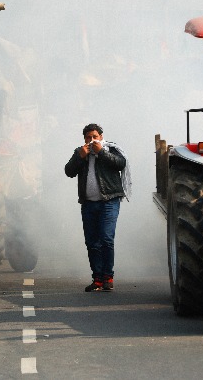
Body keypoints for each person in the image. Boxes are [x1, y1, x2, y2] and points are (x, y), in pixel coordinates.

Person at [65, 123, 131, 292]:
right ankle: (98, 279)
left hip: (109, 201)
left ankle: (108, 277)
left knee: (106, 238)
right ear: (84, 139)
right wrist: (80, 157)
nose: (91, 140)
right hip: (88, 204)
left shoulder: (111, 149)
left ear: (101, 136)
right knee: (92, 242)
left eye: (95, 136)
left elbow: (120, 164)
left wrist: (101, 152)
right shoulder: (80, 152)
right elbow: (69, 171)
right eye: (88, 137)